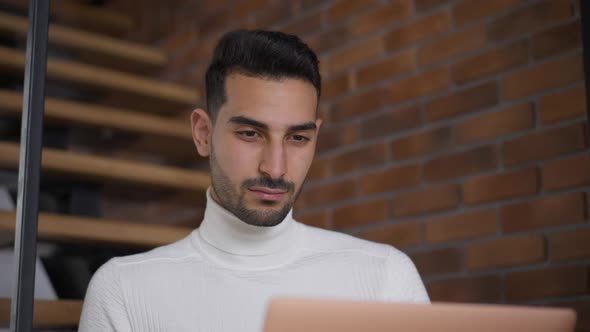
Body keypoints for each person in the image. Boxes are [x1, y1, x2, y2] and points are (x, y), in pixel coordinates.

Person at [78, 29, 429, 332]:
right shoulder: (124, 289)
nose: (275, 169)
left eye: (297, 138)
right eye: (250, 133)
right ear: (203, 133)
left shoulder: (385, 276)